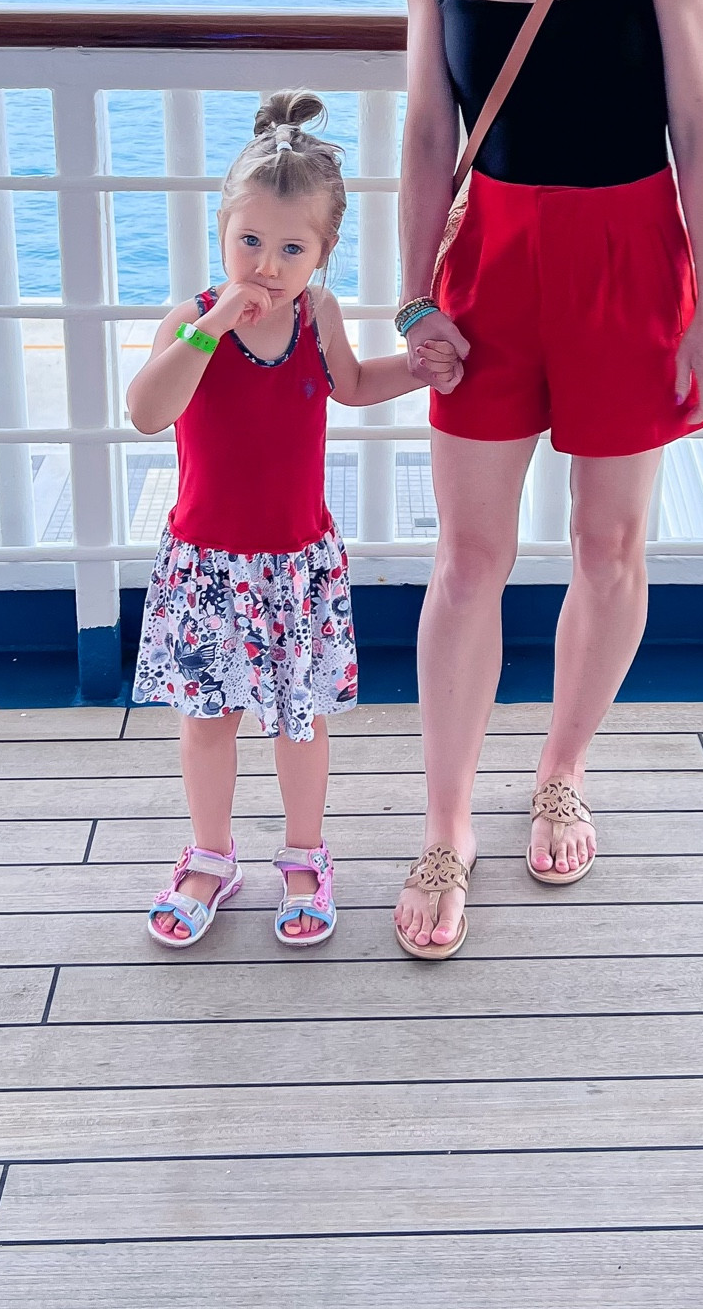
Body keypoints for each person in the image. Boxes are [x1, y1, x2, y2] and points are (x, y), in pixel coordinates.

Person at [392, 0, 703, 961]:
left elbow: (697, 124)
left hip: (628, 252)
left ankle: (560, 769)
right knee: (467, 557)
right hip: (491, 264)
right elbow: (429, 126)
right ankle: (443, 826)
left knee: (609, 544)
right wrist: (415, 288)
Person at [128, 90, 457, 950]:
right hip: (207, 565)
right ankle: (210, 854)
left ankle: (306, 854)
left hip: (294, 566)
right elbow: (145, 410)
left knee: (299, 722)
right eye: (249, 242)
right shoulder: (192, 320)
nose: (265, 267)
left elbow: (352, 385)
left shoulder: (318, 317)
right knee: (207, 723)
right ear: (222, 230)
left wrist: (420, 371)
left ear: (323, 253)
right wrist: (205, 329)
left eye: (290, 248)